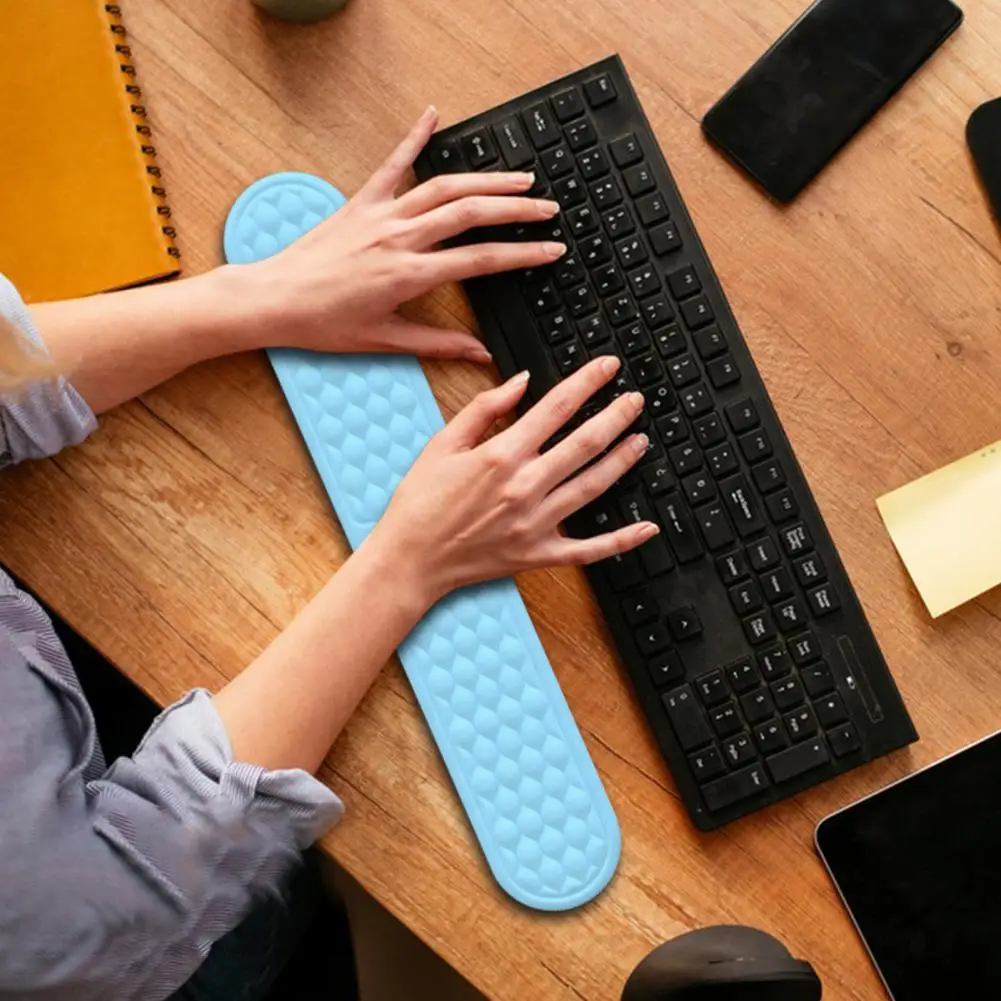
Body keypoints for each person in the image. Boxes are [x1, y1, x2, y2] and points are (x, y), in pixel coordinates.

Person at [0, 108, 658, 1001]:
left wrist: (256, 295)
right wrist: (411, 559)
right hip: (103, 937)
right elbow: (123, 911)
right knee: (269, 939)